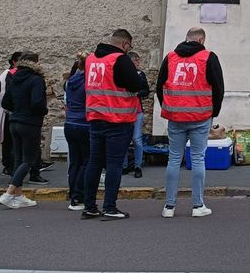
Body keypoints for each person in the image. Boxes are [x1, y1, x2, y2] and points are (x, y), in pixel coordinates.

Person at [157, 26, 224, 218]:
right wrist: (213, 113)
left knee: (174, 159)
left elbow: (159, 86)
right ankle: (197, 205)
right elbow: (218, 88)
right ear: (201, 41)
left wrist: (168, 106)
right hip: (201, 116)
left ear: (186, 39)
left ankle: (169, 207)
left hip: (175, 116)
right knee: (198, 159)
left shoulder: (170, 57)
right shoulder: (208, 57)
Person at [81, 29, 143, 221]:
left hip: (95, 116)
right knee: (114, 164)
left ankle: (89, 206)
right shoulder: (120, 59)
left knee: (94, 163)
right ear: (125, 44)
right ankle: (110, 206)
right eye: (129, 47)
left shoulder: (91, 59)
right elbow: (135, 84)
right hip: (117, 118)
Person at [0, 52, 47, 209]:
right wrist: (43, 111)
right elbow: (37, 103)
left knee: (19, 160)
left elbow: (6, 102)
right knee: (29, 160)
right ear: (36, 63)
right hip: (30, 123)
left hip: (14, 121)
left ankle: (18, 196)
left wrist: (18, 110)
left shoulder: (13, 78)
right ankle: (9, 192)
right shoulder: (36, 79)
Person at [63, 51, 89, 210]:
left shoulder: (70, 81)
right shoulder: (87, 81)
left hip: (69, 123)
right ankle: (79, 197)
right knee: (86, 161)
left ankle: (73, 193)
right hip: (84, 123)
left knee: (75, 161)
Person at [122, 51, 150, 179]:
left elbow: (146, 91)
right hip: (125, 110)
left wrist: (137, 93)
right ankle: (124, 166)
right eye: (137, 60)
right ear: (131, 61)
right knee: (124, 140)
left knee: (137, 140)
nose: (139, 63)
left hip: (137, 110)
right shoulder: (122, 74)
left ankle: (138, 166)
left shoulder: (140, 75)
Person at [0, 51, 21, 176]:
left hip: (10, 111)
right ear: (14, 62)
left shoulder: (12, 74)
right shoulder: (8, 74)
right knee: (9, 141)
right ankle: (8, 164)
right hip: (8, 112)